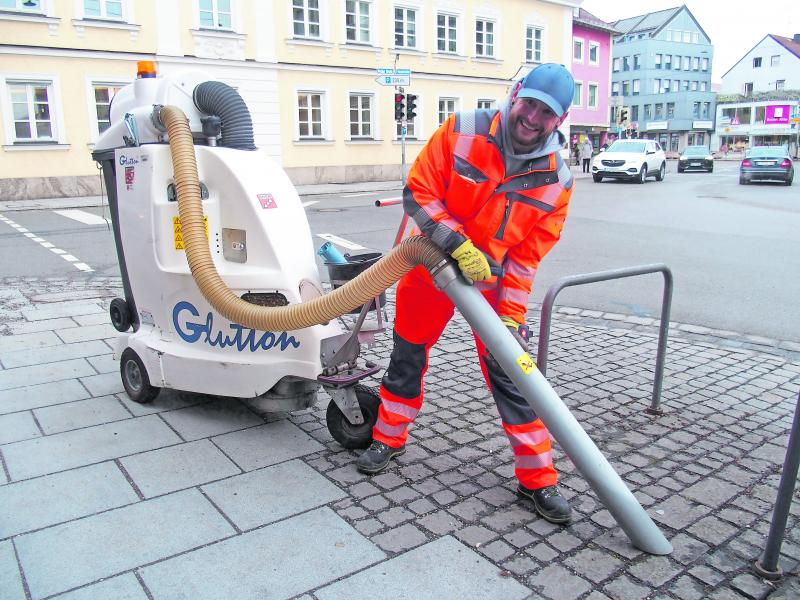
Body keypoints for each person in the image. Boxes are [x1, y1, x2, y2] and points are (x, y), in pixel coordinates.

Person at [355, 63, 576, 524]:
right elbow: (419, 193)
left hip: (491, 285)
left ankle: (537, 480)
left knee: (513, 375)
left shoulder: (558, 180)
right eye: (529, 104)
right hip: (431, 265)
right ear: (515, 95)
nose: (533, 117)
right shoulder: (462, 130)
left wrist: (512, 316)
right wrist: (457, 243)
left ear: (562, 119)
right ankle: (387, 439)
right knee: (407, 357)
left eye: (547, 113)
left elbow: (526, 258)